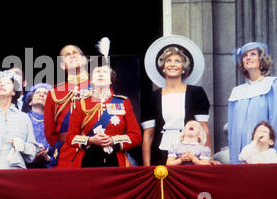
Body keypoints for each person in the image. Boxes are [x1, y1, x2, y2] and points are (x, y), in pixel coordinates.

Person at [141, 35, 212, 166]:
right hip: (161, 151)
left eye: (177, 61)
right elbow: (148, 134)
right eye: (168, 61)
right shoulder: (152, 97)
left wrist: (208, 159)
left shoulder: (196, 93)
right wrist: (146, 166)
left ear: (184, 68)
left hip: (192, 153)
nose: (172, 64)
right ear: (163, 67)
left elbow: (203, 128)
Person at [66, 64, 142, 167]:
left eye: (105, 72)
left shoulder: (123, 102)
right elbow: (70, 137)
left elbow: (136, 136)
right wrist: (90, 140)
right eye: (97, 72)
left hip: (115, 159)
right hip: (86, 160)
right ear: (91, 80)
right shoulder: (81, 103)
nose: (101, 74)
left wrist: (113, 140)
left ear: (111, 80)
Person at [228, 42, 277, 164]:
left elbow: (275, 120)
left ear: (262, 59)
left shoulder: (271, 85)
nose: (248, 57)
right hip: (240, 151)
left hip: (263, 151)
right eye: (245, 55)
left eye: (253, 54)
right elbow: (232, 129)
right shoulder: (237, 92)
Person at [44, 44, 91, 168]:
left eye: (75, 52)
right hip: (66, 151)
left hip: (94, 149)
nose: (72, 55)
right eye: (67, 55)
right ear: (61, 65)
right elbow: (50, 131)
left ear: (84, 59)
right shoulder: (54, 92)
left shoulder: (100, 87)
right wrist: (62, 146)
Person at [24, 83, 56, 168]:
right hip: (25, 170)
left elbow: (59, 153)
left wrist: (48, 158)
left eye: (45, 94)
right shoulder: (22, 119)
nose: (41, 95)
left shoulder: (55, 124)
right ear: (30, 101)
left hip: (47, 172)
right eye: (38, 92)